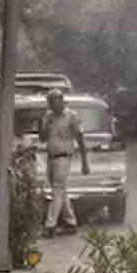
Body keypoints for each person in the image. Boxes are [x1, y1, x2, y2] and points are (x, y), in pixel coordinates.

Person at [40, 89, 90, 238]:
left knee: (57, 191)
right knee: (61, 191)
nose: (52, 106)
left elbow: (80, 139)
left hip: (64, 158)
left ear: (61, 101)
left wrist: (84, 162)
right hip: (50, 158)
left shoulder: (71, 116)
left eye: (55, 102)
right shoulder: (49, 116)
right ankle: (70, 223)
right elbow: (42, 138)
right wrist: (45, 124)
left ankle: (50, 226)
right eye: (50, 103)